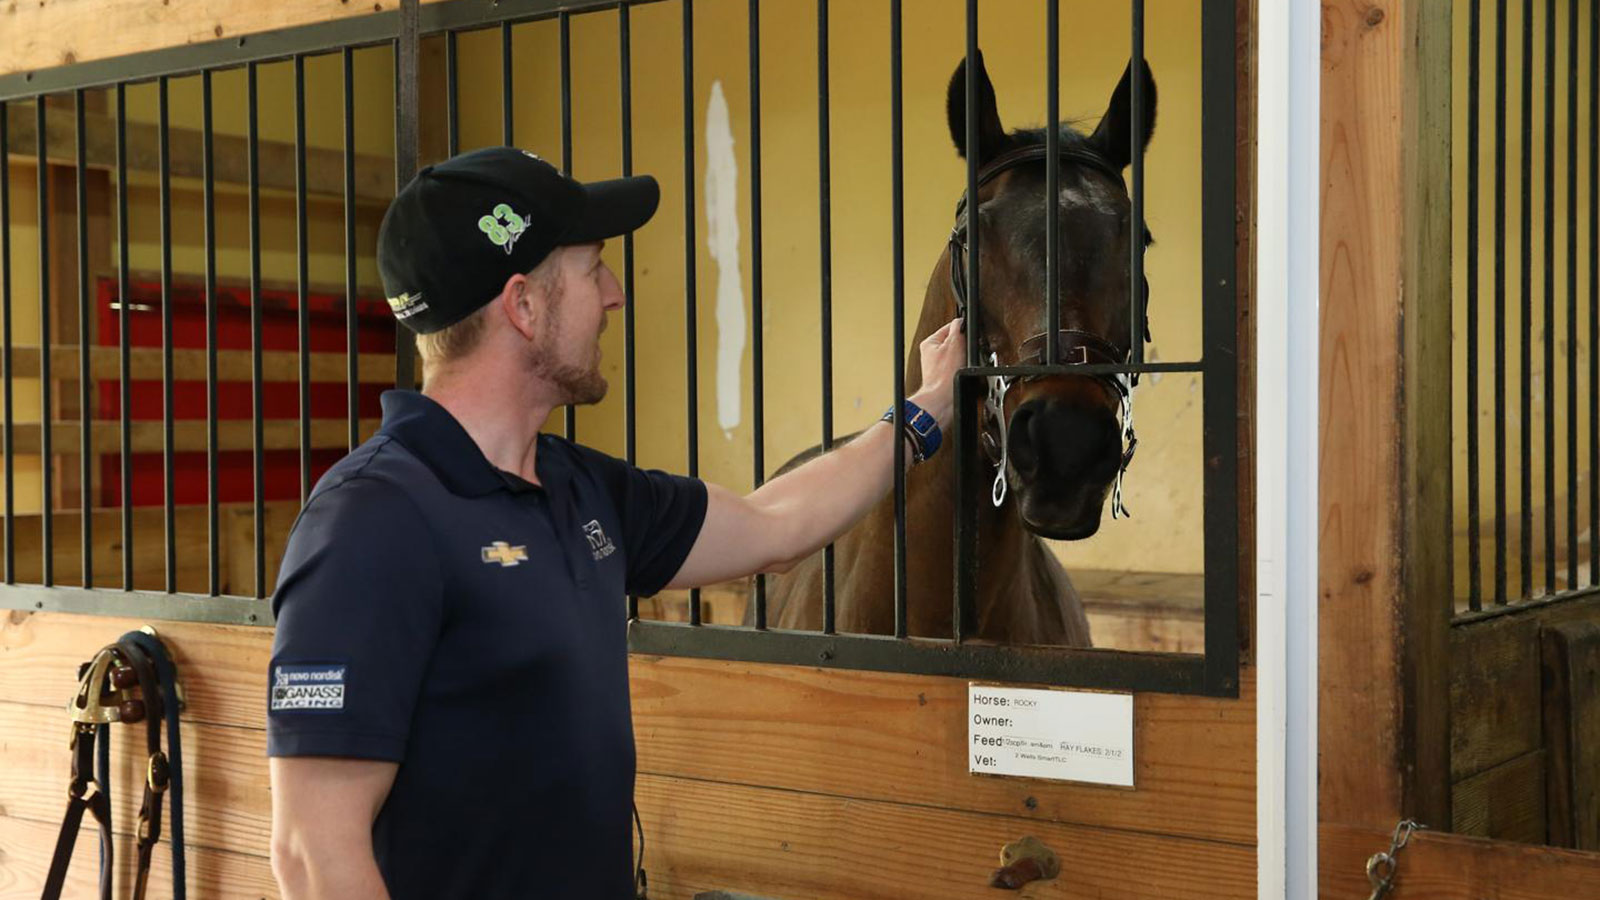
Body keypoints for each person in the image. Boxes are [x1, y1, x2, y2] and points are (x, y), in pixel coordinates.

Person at [266, 147, 965, 900]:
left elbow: (774, 526)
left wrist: (925, 412)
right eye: (592, 268)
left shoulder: (582, 487)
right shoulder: (372, 521)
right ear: (523, 306)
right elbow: (312, 853)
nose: (614, 294)